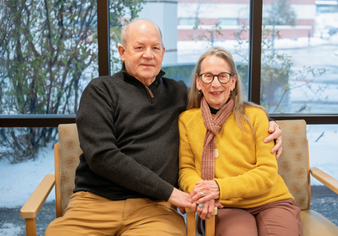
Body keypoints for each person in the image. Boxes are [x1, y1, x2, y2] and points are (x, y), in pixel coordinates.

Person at [46, 20, 283, 236]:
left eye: (155, 48)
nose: (148, 55)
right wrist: (172, 193)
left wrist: (267, 123)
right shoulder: (101, 91)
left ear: (162, 53)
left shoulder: (178, 93)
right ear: (122, 52)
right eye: (139, 48)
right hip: (95, 204)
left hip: (154, 209)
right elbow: (102, 156)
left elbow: (221, 102)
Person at [178, 47, 302, 236]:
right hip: (225, 206)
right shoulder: (187, 120)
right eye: (208, 76)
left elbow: (267, 173)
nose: (216, 84)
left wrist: (218, 188)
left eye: (223, 76)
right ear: (198, 82)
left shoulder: (256, 116)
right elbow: (186, 169)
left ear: (233, 81)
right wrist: (203, 193)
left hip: (272, 200)